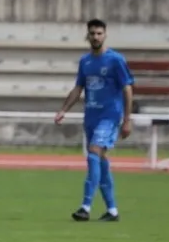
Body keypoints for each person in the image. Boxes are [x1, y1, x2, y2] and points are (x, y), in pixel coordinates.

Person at [55, 18, 134, 223]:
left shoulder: (115, 60)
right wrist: (64, 109)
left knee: (93, 154)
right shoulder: (85, 61)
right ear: (87, 35)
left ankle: (85, 206)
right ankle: (112, 210)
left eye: (99, 33)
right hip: (91, 116)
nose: (96, 37)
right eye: (92, 33)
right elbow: (78, 88)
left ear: (105, 35)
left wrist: (127, 119)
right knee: (100, 161)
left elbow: (127, 89)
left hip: (110, 116)